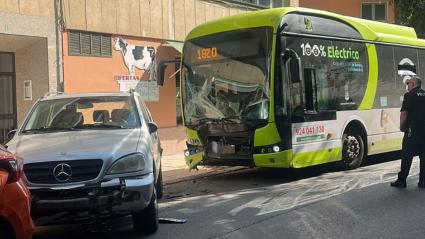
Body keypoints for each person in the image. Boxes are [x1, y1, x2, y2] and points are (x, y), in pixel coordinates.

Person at [391, 75, 425, 188]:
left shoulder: (409, 95)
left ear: (413, 84)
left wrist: (401, 126)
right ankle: (423, 181)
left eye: (408, 83)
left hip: (412, 129)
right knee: (423, 155)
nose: (407, 85)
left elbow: (404, 113)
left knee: (407, 154)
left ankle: (402, 180)